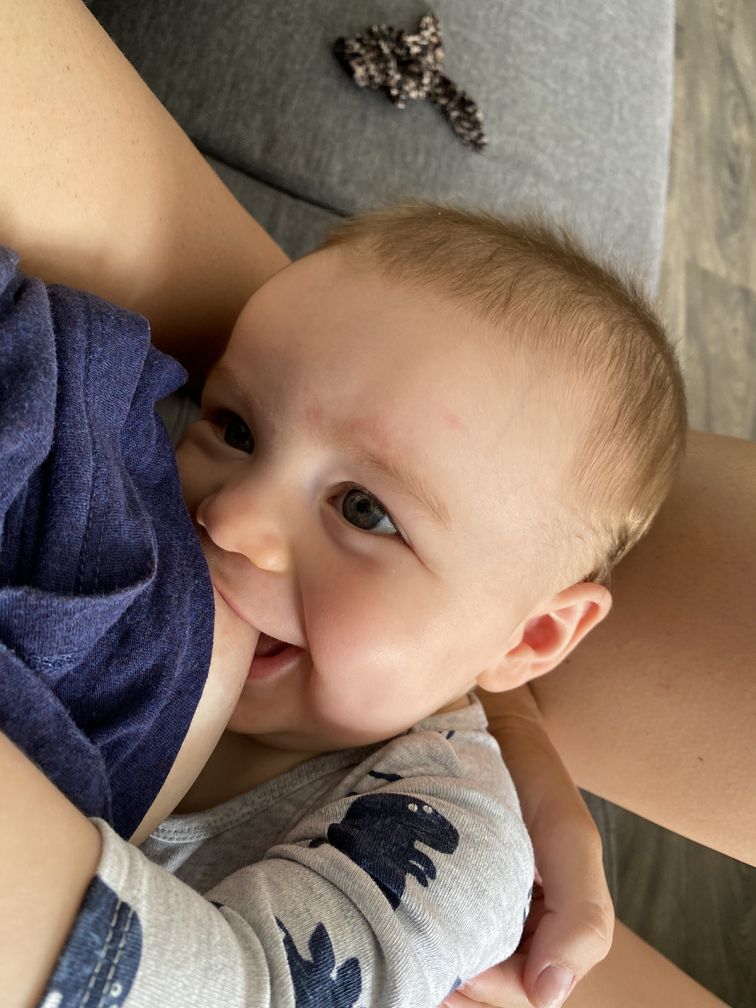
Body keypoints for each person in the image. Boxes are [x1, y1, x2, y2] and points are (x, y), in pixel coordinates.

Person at [1, 3, 753, 1008]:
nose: (232, 522)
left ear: (531, 632)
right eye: (234, 428)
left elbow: (255, 992)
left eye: (363, 511)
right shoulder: (124, 511)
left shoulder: (450, 836)